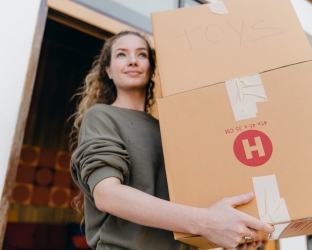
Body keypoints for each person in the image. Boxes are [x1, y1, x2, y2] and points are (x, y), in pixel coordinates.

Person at [70, 30, 274, 250]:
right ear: (108, 71)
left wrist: (237, 230)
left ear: (151, 68)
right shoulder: (101, 116)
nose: (132, 61)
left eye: (142, 55)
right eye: (121, 54)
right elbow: (107, 195)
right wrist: (207, 222)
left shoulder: (171, 129)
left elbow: (197, 201)